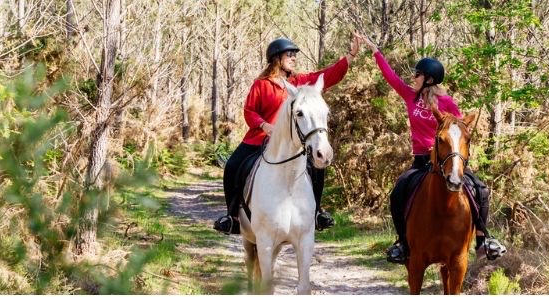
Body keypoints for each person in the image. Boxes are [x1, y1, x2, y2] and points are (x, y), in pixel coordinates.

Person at [357, 34, 507, 264]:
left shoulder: (447, 103)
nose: (413, 77)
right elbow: (390, 77)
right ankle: (402, 242)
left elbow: (458, 131)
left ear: (428, 79)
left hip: (446, 160)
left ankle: (482, 239)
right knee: (398, 191)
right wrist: (375, 50)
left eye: (417, 74)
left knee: (481, 189)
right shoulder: (410, 96)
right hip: (420, 161)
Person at [213, 35, 361, 235]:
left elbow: (327, 76)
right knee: (232, 167)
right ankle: (232, 217)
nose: (294, 58)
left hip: (291, 142)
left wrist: (350, 56)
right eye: (289, 55)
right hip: (260, 139)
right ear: (277, 59)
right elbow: (249, 111)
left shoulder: (300, 82)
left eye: (294, 55)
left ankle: (317, 212)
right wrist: (264, 125)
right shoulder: (261, 84)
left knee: (317, 166)